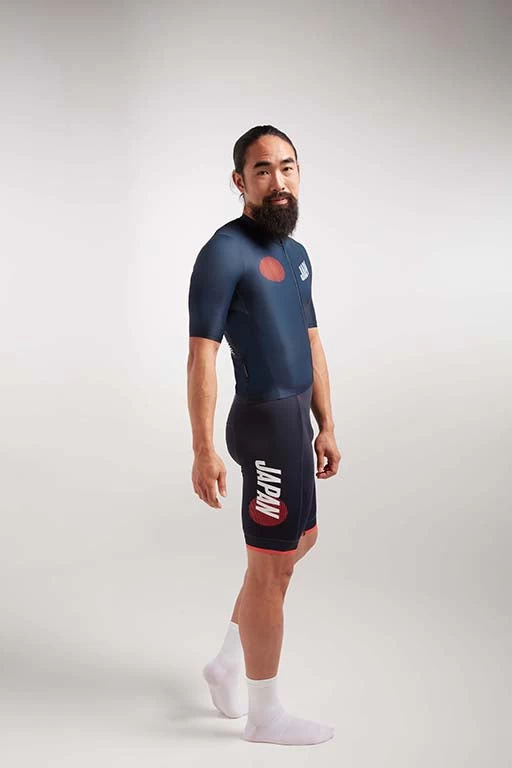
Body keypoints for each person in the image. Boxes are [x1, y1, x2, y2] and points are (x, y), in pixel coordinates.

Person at [187, 125, 342, 746]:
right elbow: (201, 355)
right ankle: (264, 715)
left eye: (288, 167)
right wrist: (202, 449)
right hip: (262, 424)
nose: (279, 181)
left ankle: (228, 661)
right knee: (273, 567)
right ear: (240, 181)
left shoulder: (296, 253)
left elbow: (310, 341)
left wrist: (327, 423)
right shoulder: (224, 253)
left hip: (295, 421)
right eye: (263, 170)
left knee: (299, 542)